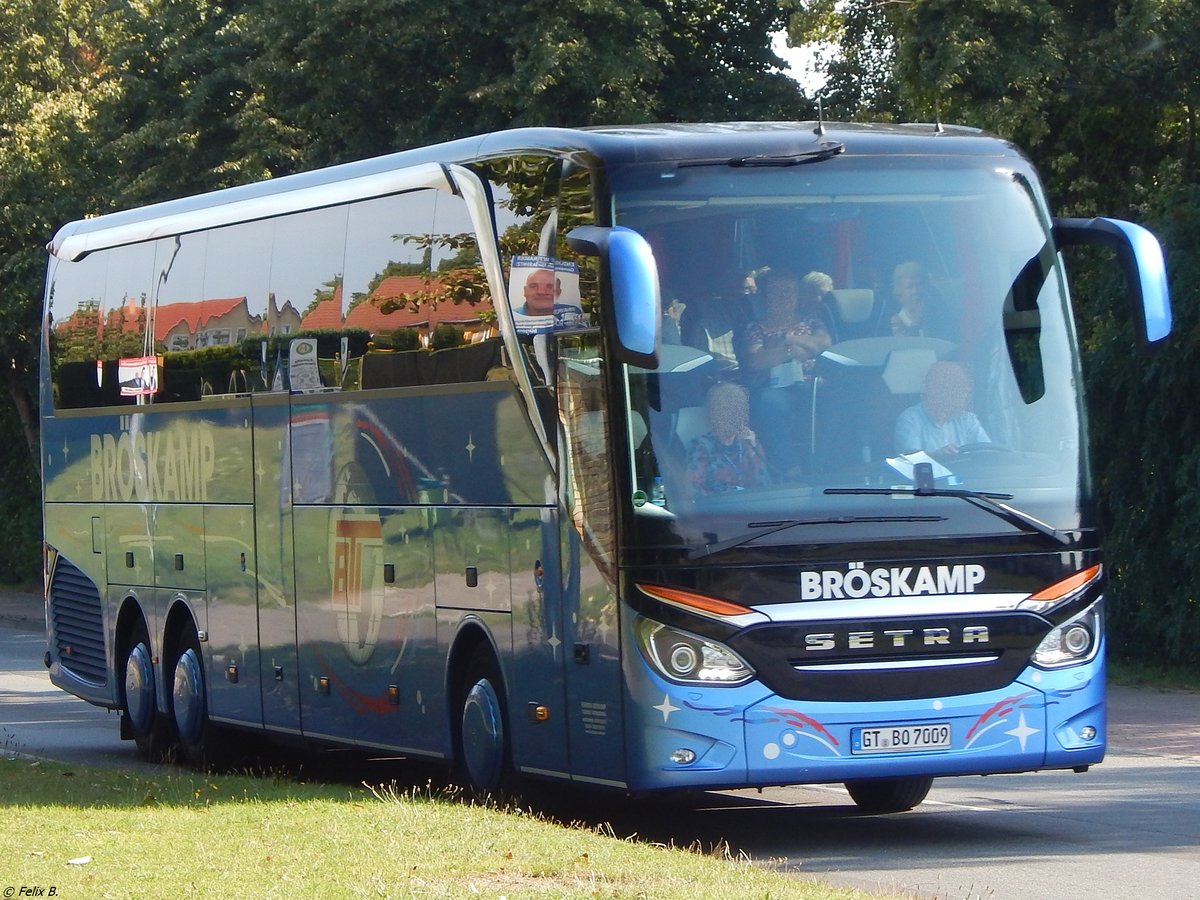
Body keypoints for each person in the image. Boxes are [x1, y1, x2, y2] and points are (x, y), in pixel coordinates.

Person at [743, 268, 833, 474]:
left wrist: (789, 340)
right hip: (777, 388)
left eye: (790, 291)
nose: (785, 297)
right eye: (778, 292)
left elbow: (825, 343)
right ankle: (791, 469)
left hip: (814, 385)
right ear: (766, 297)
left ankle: (831, 465)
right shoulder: (756, 328)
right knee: (767, 403)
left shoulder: (811, 321)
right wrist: (793, 351)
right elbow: (756, 361)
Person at [686, 382, 770, 494]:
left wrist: (753, 452)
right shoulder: (702, 446)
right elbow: (694, 490)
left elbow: (765, 487)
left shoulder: (750, 443)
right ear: (714, 414)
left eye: (738, 409)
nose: (734, 415)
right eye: (726, 410)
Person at [894, 361, 990, 457]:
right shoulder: (910, 419)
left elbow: (987, 453)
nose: (965, 393)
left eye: (965, 387)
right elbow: (911, 459)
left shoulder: (968, 419)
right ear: (939, 389)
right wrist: (937, 455)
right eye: (958, 387)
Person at [887, 261, 952, 340]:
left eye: (919, 284)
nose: (916, 291)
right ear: (899, 294)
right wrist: (917, 323)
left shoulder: (940, 317)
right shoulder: (896, 324)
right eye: (909, 287)